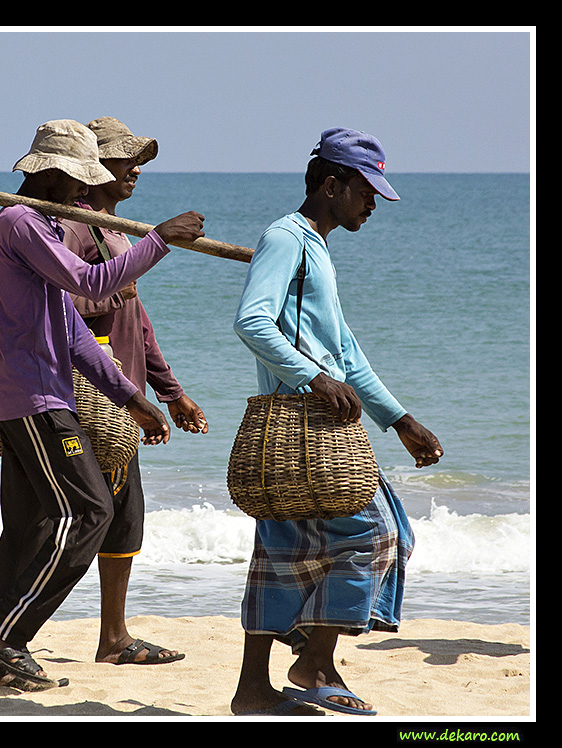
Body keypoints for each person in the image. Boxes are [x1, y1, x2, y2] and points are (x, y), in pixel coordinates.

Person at [0, 119, 207, 690]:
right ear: (51, 174)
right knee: (89, 512)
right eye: (78, 181)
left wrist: (134, 399)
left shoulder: (40, 226)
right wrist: (160, 239)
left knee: (26, 531)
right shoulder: (20, 223)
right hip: (33, 400)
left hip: (35, 396)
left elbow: (71, 330)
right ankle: (4, 638)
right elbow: (91, 283)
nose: (82, 194)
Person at [228, 127, 443, 715]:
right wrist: (311, 378)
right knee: (378, 535)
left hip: (308, 424)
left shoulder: (315, 247)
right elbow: (252, 321)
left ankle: (252, 692)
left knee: (280, 549)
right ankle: (315, 660)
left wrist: (398, 420)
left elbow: (345, 352)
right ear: (331, 184)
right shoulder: (285, 239)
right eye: (365, 190)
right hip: (301, 424)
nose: (372, 203)